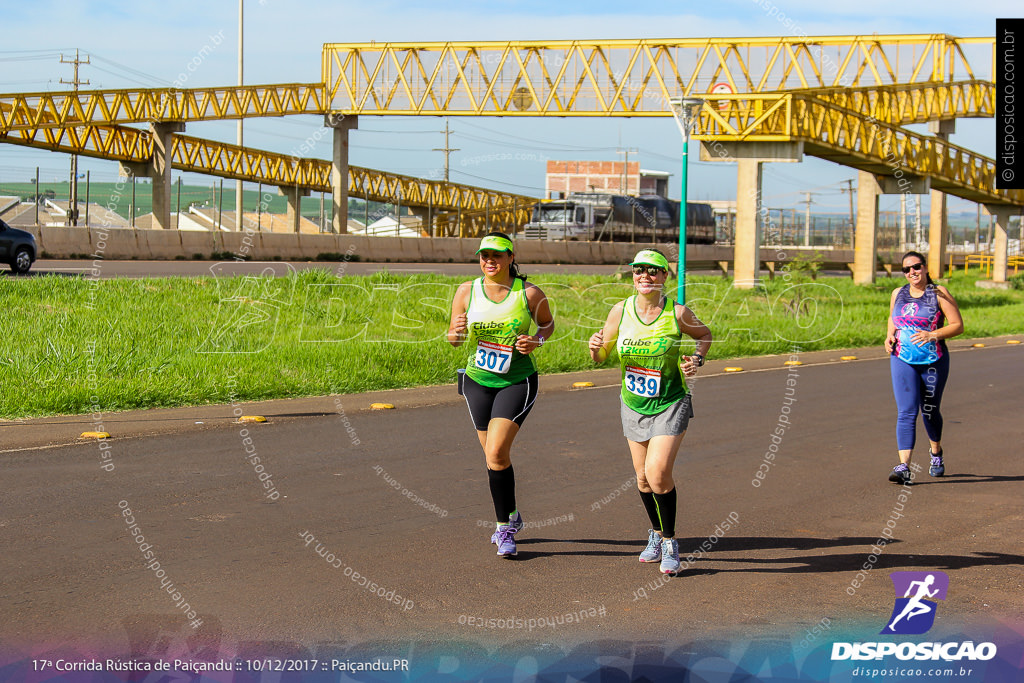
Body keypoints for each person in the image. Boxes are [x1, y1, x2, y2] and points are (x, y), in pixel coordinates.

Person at [588, 249, 712, 575]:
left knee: (657, 474)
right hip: (632, 404)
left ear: (664, 277)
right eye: (639, 270)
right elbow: (602, 355)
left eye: (653, 271)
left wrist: (697, 359)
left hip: (670, 402)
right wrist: (595, 347)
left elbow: (705, 335)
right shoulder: (620, 311)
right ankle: (655, 534)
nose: (646, 276)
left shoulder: (677, 313)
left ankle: (670, 542)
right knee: (642, 479)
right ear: (632, 274)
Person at [447, 232, 554, 558]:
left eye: (497, 255)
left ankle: (503, 528)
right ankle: (512, 513)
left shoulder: (530, 293)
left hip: (517, 381)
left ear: (510, 257)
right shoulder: (466, 291)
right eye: (484, 255)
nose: (489, 261)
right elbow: (453, 337)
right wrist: (457, 332)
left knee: (495, 453)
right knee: (495, 459)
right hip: (478, 380)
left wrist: (536, 341)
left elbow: (547, 326)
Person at [884, 250, 964, 485]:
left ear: (926, 267)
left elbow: (958, 325)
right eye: (907, 269)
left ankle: (936, 453)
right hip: (902, 359)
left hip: (933, 362)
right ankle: (903, 467)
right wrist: (889, 336)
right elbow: (893, 318)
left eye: (916, 267)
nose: (912, 272)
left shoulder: (939, 293)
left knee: (929, 410)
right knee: (907, 411)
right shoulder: (897, 293)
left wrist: (932, 334)